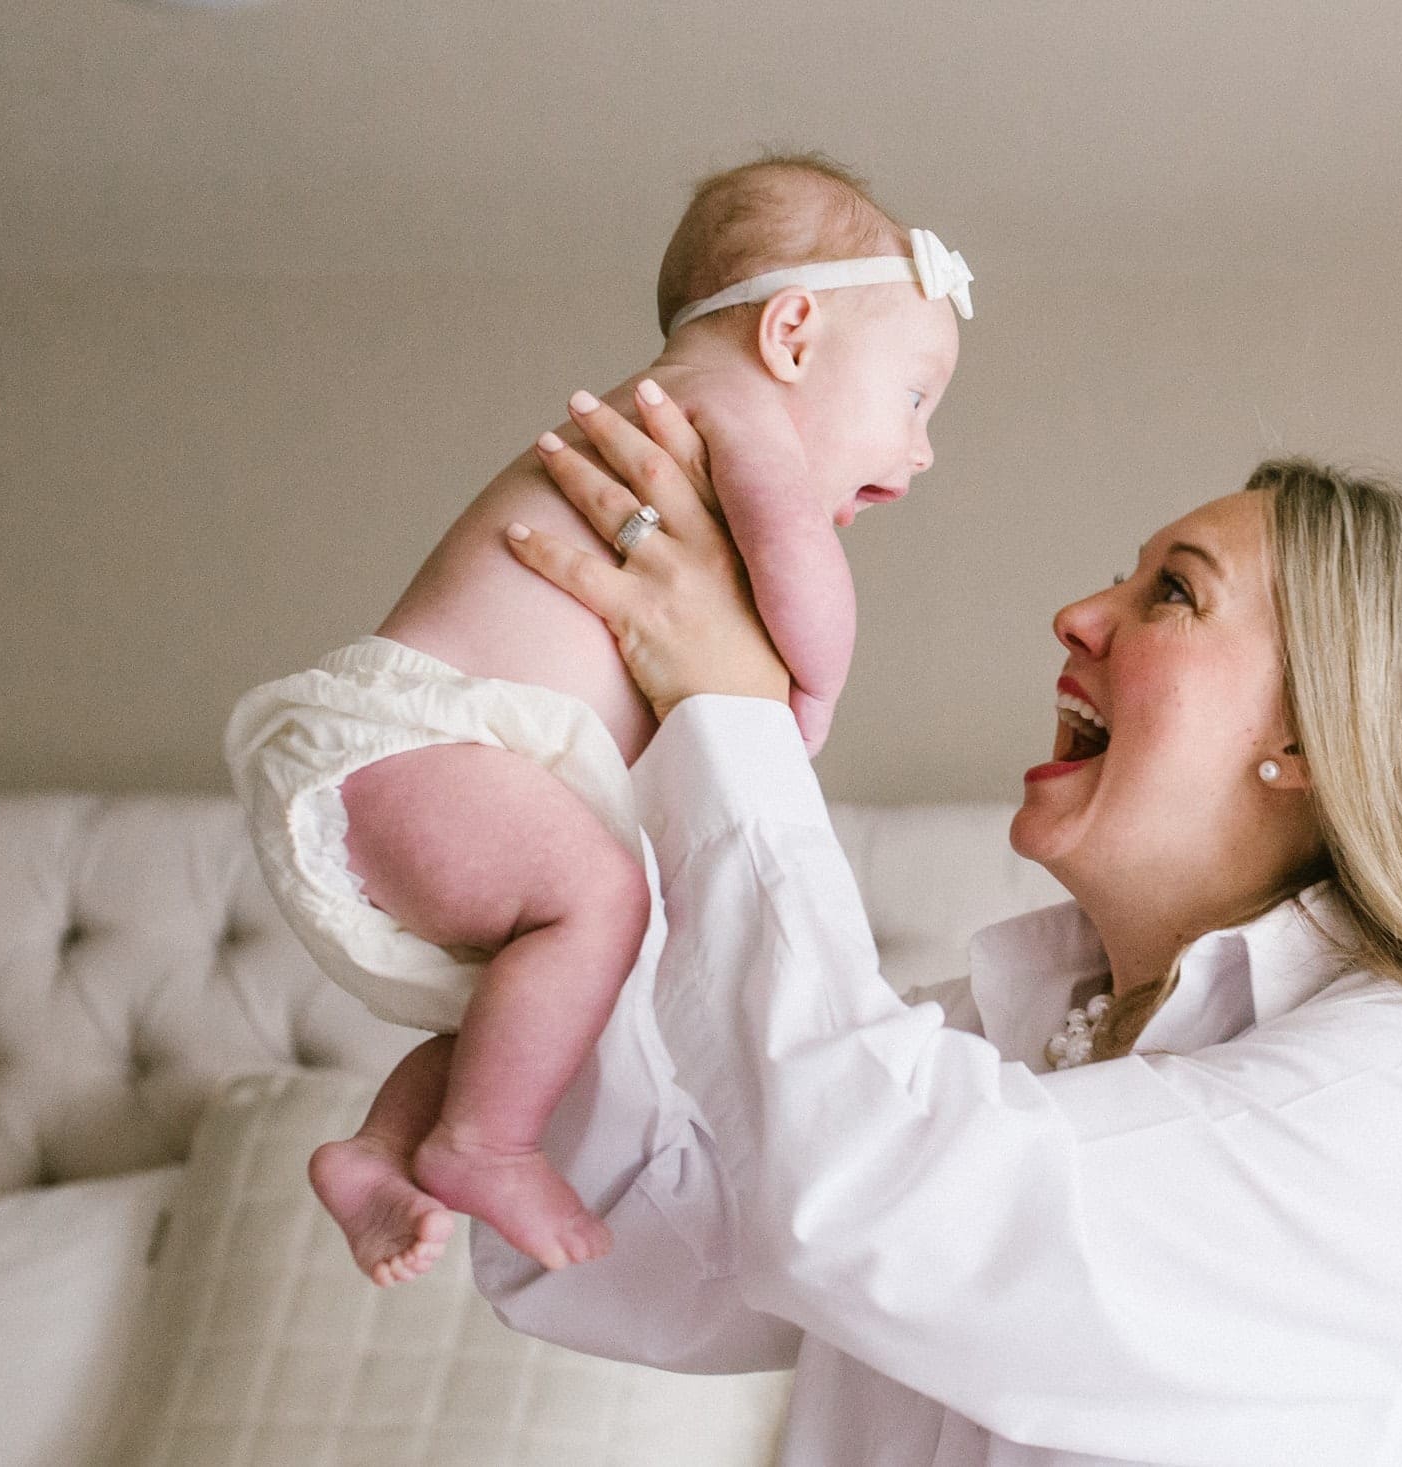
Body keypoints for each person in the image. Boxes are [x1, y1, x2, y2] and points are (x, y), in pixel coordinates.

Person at [467, 392, 1402, 1466]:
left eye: (1173, 592)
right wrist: (556, 835)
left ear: (1312, 741)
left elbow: (855, 1197)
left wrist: (726, 717)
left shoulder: (1399, 1101)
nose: (1074, 617)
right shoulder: (1015, 1038)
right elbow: (613, 1239)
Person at [222, 152, 970, 1285]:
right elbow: (802, 579)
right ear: (793, 334)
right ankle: (483, 1145)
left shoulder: (679, 414)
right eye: (913, 397)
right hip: (426, 748)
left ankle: (385, 1153)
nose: (921, 446)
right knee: (601, 903)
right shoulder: (721, 403)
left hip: (436, 769)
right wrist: (800, 702)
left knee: (547, 993)